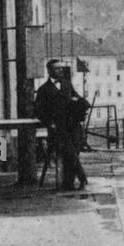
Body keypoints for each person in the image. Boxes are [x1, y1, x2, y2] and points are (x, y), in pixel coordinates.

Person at [35, 59, 90, 191]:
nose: (60, 71)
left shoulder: (66, 84)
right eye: (56, 69)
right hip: (58, 128)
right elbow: (38, 111)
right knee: (69, 153)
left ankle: (68, 184)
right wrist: (49, 123)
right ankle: (82, 177)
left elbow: (77, 98)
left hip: (73, 125)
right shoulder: (44, 90)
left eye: (61, 68)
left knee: (73, 152)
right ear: (49, 71)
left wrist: (78, 102)